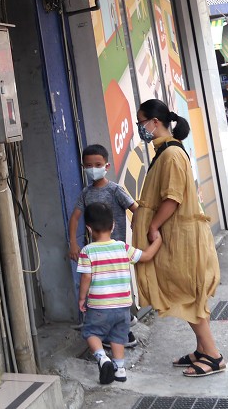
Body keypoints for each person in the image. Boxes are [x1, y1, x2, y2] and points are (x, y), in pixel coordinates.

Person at [132, 99, 224, 378]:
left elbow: (173, 198)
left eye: (141, 122)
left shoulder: (171, 154)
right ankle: (201, 348)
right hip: (178, 236)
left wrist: (153, 228)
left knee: (187, 293)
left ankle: (213, 355)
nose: (141, 128)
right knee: (188, 293)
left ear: (155, 122)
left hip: (180, 238)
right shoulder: (167, 151)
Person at [77, 202, 162, 385]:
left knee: (91, 332)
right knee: (118, 336)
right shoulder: (123, 248)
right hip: (123, 306)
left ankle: (102, 358)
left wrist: (82, 298)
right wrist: (158, 241)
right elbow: (146, 256)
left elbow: (86, 278)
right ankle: (120, 369)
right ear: (113, 225)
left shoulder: (87, 251)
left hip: (99, 306)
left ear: (89, 228)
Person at [67, 144, 139, 348]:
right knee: (101, 290)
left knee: (116, 289)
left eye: (97, 164)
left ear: (106, 165)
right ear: (83, 166)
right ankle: (117, 327)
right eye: (88, 165)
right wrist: (73, 242)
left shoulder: (115, 190)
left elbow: (136, 208)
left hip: (116, 251)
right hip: (96, 252)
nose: (93, 168)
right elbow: (74, 218)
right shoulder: (86, 193)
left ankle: (125, 333)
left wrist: (136, 225)